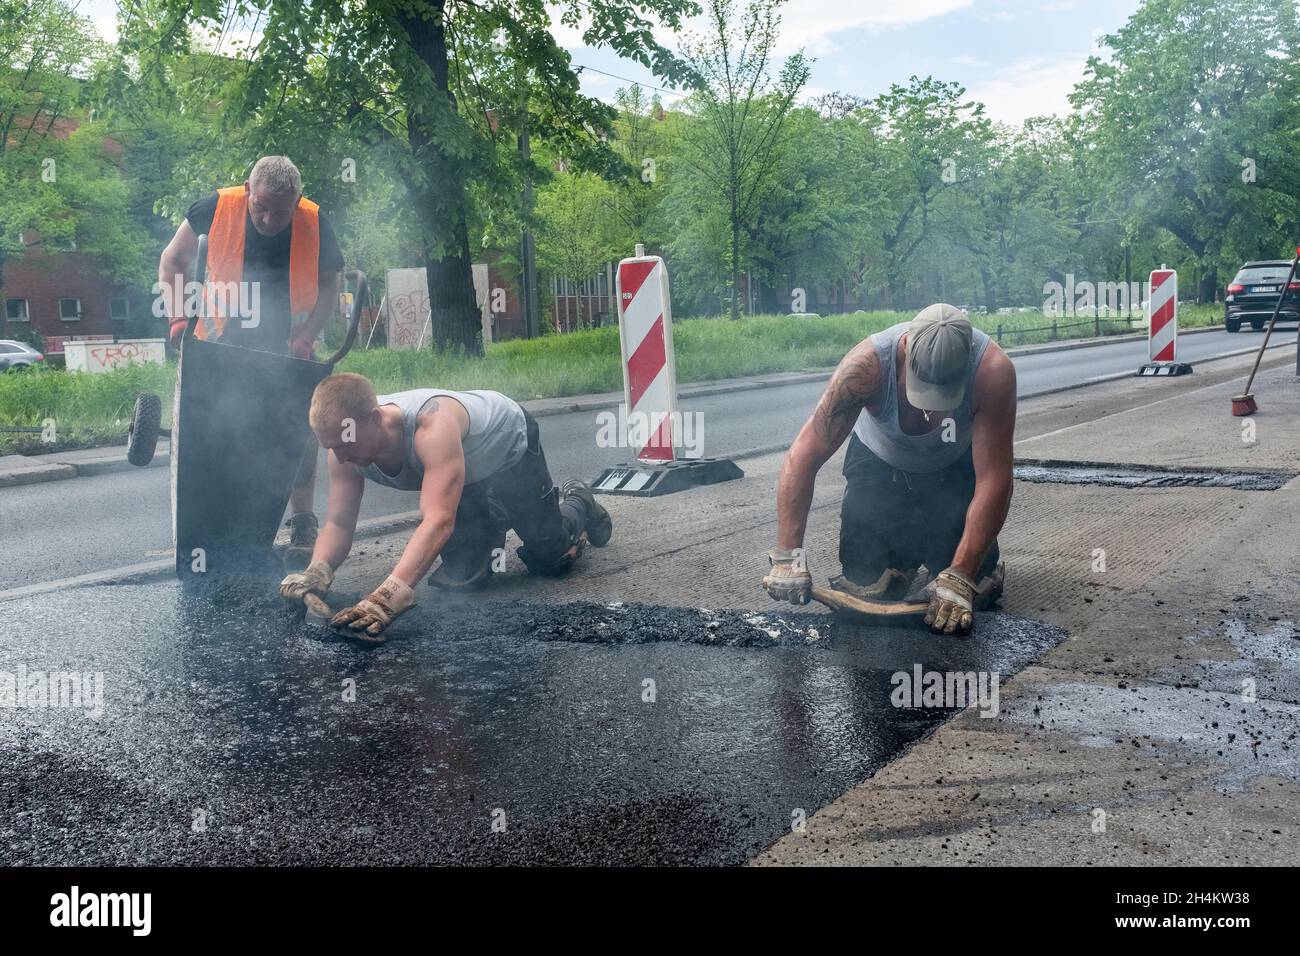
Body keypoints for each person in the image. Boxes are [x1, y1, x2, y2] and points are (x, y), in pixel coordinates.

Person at [279, 373, 614, 640]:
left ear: (374, 418)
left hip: (509, 448)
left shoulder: (431, 426)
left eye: (343, 444)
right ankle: (492, 520)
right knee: (462, 579)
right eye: (330, 447)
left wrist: (387, 597)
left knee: (550, 559)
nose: (338, 457)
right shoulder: (343, 444)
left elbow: (438, 520)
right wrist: (317, 570)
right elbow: (338, 523)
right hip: (463, 475)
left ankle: (579, 500)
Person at [762, 304, 1015, 634]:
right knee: (865, 576)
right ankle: (904, 560)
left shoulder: (992, 372)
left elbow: (995, 478)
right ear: (906, 345)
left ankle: (945, 560)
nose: (929, 408)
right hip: (880, 466)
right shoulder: (866, 368)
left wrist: (962, 574)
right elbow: (803, 456)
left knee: (971, 583)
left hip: (951, 470)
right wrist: (788, 557)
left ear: (967, 360)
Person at [157, 155, 345, 571]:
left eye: (280, 211)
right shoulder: (215, 207)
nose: (268, 219)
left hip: (286, 346)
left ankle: (302, 522)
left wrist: (307, 336)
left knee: (297, 432)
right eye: (261, 207)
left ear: (296, 203)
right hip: (217, 344)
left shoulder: (315, 221)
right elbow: (173, 260)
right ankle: (217, 527)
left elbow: (331, 284)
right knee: (218, 432)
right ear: (248, 190)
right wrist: (176, 318)